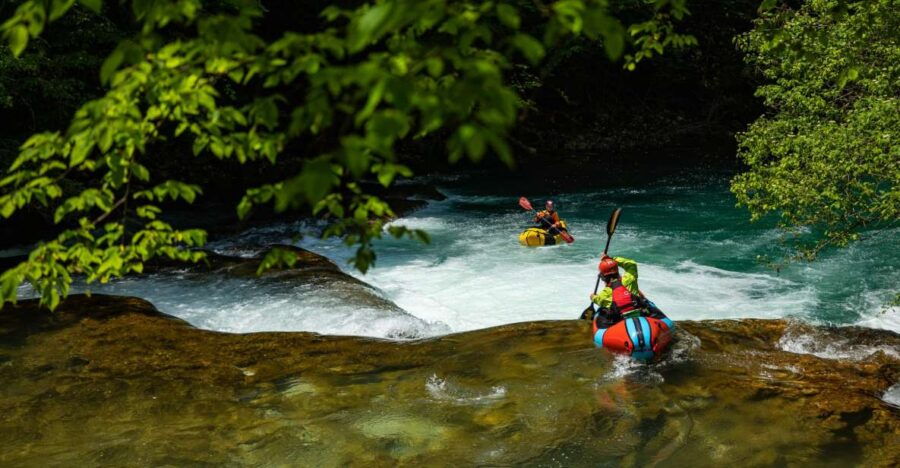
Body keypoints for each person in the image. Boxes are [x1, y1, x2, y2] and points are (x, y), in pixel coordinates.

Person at [588, 254, 670, 328]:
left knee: (604, 311)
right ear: (617, 271)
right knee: (641, 297)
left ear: (603, 277)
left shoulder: (604, 295)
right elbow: (631, 264)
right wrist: (612, 259)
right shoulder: (629, 279)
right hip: (641, 313)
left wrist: (592, 297)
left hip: (621, 321)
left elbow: (598, 300)